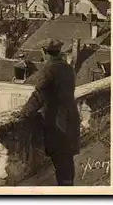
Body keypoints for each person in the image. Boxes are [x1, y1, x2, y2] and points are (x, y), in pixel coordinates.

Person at [16, 38, 81, 186]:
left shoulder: (48, 69)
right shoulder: (68, 68)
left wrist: (24, 113)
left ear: (44, 52)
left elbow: (39, 95)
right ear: (59, 52)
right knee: (67, 162)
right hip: (71, 119)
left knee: (60, 162)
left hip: (58, 123)